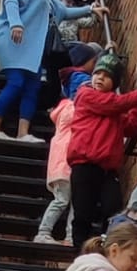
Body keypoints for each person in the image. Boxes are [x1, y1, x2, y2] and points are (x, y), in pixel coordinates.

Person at [0, 0, 102, 143]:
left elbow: (63, 12)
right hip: (13, 39)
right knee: (16, 82)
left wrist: (90, 9)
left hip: (31, 44)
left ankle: (23, 132)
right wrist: (15, 23)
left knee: (32, 86)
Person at [67, 54, 137, 247]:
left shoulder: (114, 113)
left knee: (113, 209)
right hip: (84, 164)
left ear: (114, 82)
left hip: (107, 170)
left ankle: (106, 249)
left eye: (107, 76)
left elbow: (131, 127)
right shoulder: (86, 94)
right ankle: (79, 253)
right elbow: (113, 104)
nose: (100, 77)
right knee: (83, 212)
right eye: (97, 73)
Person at [33, 49, 98, 245]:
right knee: (64, 201)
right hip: (66, 165)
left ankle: (68, 235)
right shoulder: (72, 109)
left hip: (62, 166)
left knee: (69, 201)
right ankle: (45, 232)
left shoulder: (63, 111)